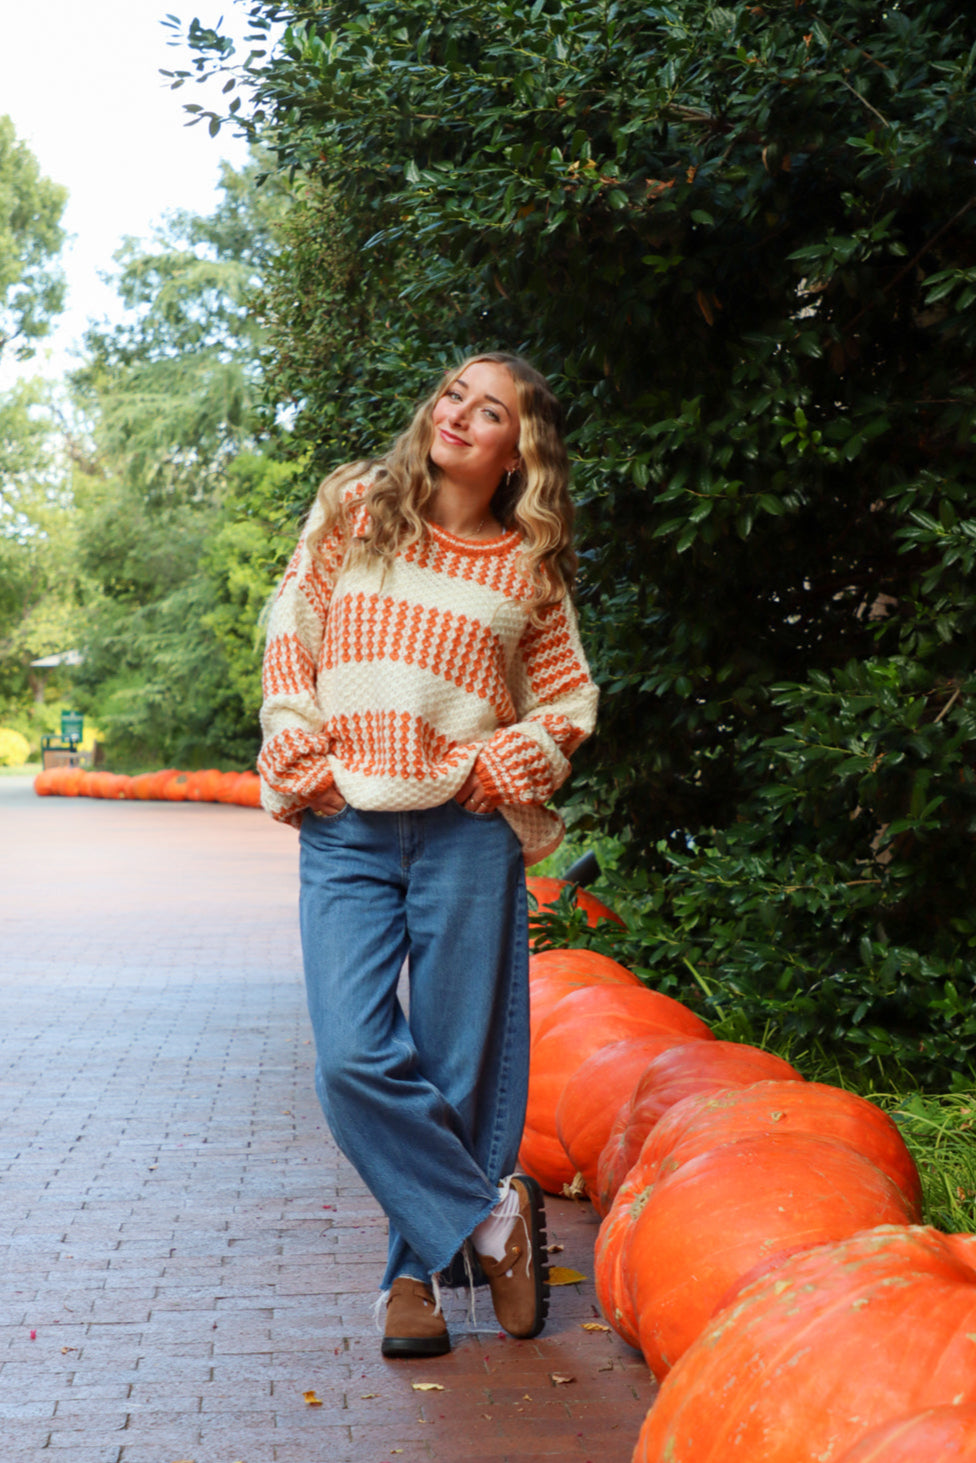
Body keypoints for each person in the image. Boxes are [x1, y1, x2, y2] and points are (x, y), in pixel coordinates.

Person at [257, 351, 598, 1357]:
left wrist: (508, 761)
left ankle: (413, 1278)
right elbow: (293, 630)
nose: (458, 413)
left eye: (487, 410)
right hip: (345, 818)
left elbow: (566, 699)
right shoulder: (356, 505)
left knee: (455, 1064)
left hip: (464, 825)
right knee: (355, 1058)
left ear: (515, 450)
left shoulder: (524, 566)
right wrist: (295, 734)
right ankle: (493, 1221)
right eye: (453, 393)